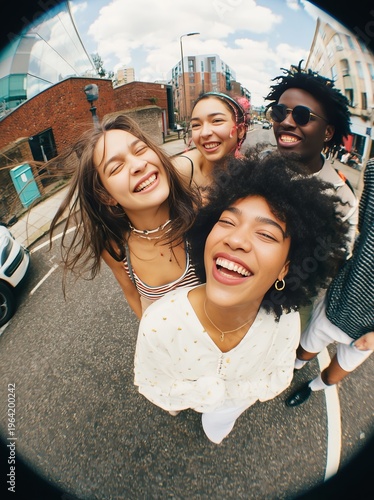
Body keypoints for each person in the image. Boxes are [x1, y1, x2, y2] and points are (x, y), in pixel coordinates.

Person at [134, 149, 349, 444]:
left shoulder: (283, 326)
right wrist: (200, 395)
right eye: (227, 222)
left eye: (267, 235)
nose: (236, 240)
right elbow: (156, 383)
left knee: (217, 429)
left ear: (285, 269)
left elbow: (274, 374)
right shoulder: (159, 323)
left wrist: (232, 401)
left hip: (233, 407)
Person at [49, 113, 201, 319]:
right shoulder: (115, 248)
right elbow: (133, 297)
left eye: (140, 150)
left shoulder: (201, 214)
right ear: (106, 196)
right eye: (117, 167)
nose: (138, 165)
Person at [285, 158, 374, 407]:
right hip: (340, 301)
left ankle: (313, 387)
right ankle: (295, 367)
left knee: (334, 374)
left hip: (368, 332)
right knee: (304, 350)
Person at [264, 61, 358, 251]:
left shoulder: (342, 197)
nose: (287, 122)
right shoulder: (257, 164)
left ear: (328, 132)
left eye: (302, 115)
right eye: (280, 112)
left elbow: (333, 270)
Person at [173, 92, 249, 196]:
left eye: (217, 120)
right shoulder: (181, 171)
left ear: (240, 130)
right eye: (196, 125)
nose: (204, 133)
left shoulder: (250, 172)